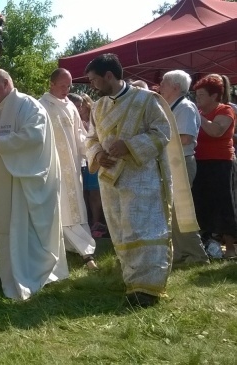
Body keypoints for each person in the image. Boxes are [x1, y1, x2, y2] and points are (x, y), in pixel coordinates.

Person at [84, 53, 196, 307]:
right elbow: (90, 139)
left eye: (94, 80)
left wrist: (130, 146)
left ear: (109, 76)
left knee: (144, 230)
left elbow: (162, 132)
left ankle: (148, 289)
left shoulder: (147, 100)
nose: (92, 85)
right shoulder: (98, 107)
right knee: (121, 231)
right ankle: (131, 279)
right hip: (110, 179)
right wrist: (98, 154)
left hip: (141, 178)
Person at [0, 69, 68, 300]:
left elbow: (35, 138)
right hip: (3, 185)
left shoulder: (29, 106)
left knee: (23, 229)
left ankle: (32, 274)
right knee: (7, 231)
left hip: (23, 184)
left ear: (6, 84)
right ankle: (9, 276)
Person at [39, 68, 97, 270]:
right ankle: (85, 252)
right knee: (61, 208)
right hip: (52, 169)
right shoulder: (41, 107)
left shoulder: (71, 106)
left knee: (75, 207)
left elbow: (80, 136)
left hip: (71, 168)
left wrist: (93, 151)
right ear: (51, 84)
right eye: (62, 85)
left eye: (69, 85)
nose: (67, 89)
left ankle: (78, 248)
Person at [159, 70, 209, 265]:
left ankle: (197, 255)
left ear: (175, 87)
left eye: (163, 83)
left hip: (181, 162)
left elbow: (186, 137)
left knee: (182, 210)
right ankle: (181, 253)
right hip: (172, 162)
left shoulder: (185, 107)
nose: (160, 86)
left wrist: (156, 142)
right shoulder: (171, 106)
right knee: (173, 211)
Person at [191, 74, 237, 259]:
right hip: (200, 163)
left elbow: (216, 131)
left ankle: (231, 248)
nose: (197, 99)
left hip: (221, 163)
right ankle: (208, 245)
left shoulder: (225, 110)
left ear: (214, 96)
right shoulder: (199, 113)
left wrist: (197, 116)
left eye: (201, 95)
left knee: (224, 204)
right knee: (203, 204)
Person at [67, 93, 107, 237]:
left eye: (80, 106)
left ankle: (96, 223)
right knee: (84, 194)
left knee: (95, 193)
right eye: (77, 106)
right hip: (79, 163)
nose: (79, 109)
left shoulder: (92, 119)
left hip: (91, 160)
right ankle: (87, 222)